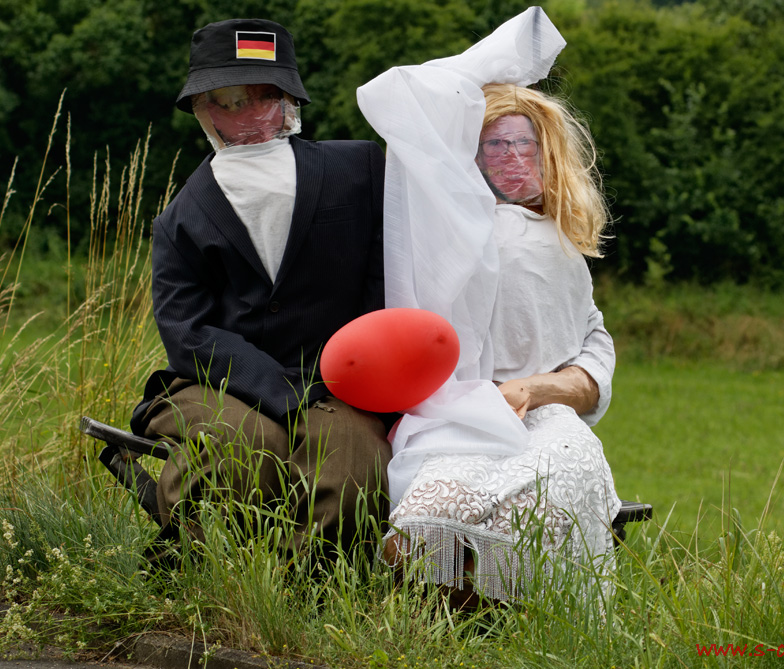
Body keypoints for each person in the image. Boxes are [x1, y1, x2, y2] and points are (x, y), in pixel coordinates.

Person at [357, 7, 619, 606]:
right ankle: (438, 619)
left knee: (554, 490)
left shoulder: (560, 243)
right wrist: (485, 67)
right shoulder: (453, 229)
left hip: (547, 424)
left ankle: (511, 615)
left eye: (525, 145)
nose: (511, 159)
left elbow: (592, 347)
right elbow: (404, 94)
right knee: (430, 519)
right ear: (466, 156)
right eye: (493, 145)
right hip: (457, 413)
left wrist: (540, 389)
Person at [130, 18, 391, 558]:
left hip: (339, 381)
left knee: (353, 468)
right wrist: (277, 392)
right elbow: (187, 331)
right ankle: (214, 580)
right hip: (222, 385)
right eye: (227, 99)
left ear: (289, 99)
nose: (246, 114)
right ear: (202, 108)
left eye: (263, 96)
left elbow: (386, 281)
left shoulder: (361, 170)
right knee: (241, 449)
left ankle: (306, 594)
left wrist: (359, 375)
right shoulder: (181, 218)